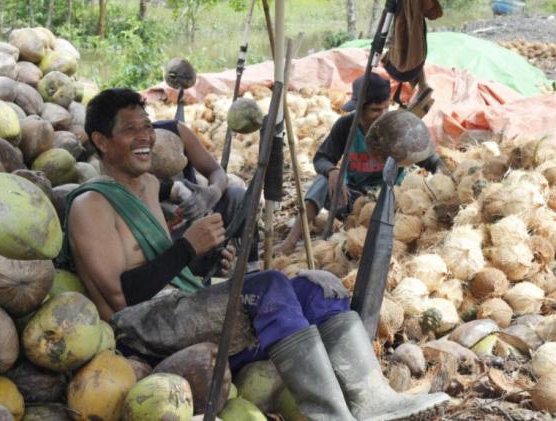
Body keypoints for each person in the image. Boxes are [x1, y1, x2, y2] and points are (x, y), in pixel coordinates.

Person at [62, 88, 448, 420]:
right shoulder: (91, 205)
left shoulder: (147, 184)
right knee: (268, 286)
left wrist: (207, 259)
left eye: (147, 126)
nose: (145, 136)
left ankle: (373, 400)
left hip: (174, 304)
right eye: (130, 129)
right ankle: (330, 414)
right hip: (138, 326)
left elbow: (165, 267)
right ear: (100, 140)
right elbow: (123, 296)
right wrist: (186, 247)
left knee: (318, 289)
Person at [277, 73, 440, 255]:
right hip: (350, 199)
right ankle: (290, 241)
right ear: (359, 109)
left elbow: (430, 159)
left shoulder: (396, 127)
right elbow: (321, 158)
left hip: (389, 202)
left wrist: (445, 175)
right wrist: (332, 170)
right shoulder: (346, 126)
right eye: (376, 110)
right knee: (322, 181)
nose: (382, 115)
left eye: (386, 108)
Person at [152, 119, 260, 274]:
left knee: (238, 196)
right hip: (166, 231)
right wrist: (172, 190)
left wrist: (213, 192)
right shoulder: (118, 153)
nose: (143, 133)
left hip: (198, 213)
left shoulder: (175, 130)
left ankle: (251, 269)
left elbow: (216, 171)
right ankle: (210, 266)